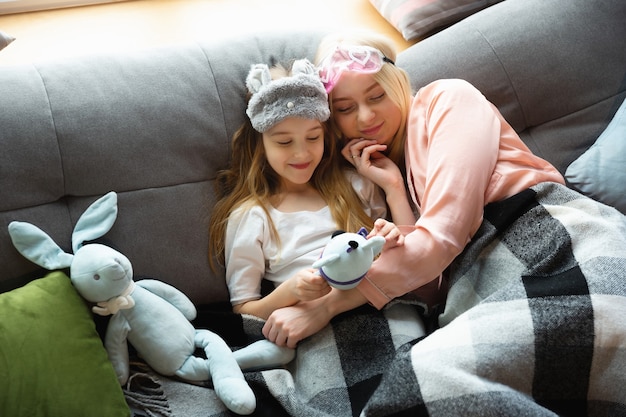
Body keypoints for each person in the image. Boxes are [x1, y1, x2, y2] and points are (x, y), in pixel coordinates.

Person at [261, 31, 626, 349]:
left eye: (376, 96)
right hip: (476, 284)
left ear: (398, 83)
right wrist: (394, 191)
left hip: (550, 234)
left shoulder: (447, 98)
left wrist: (325, 306)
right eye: (345, 108)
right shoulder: (377, 179)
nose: (366, 118)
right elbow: (430, 291)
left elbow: (443, 234)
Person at [208, 58, 403, 323]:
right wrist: (289, 291)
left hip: (389, 310)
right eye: (284, 141)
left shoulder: (356, 186)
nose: (301, 153)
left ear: (326, 134)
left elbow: (409, 260)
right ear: (260, 144)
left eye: (313, 137)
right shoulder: (253, 216)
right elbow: (244, 310)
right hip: (313, 326)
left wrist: (391, 230)